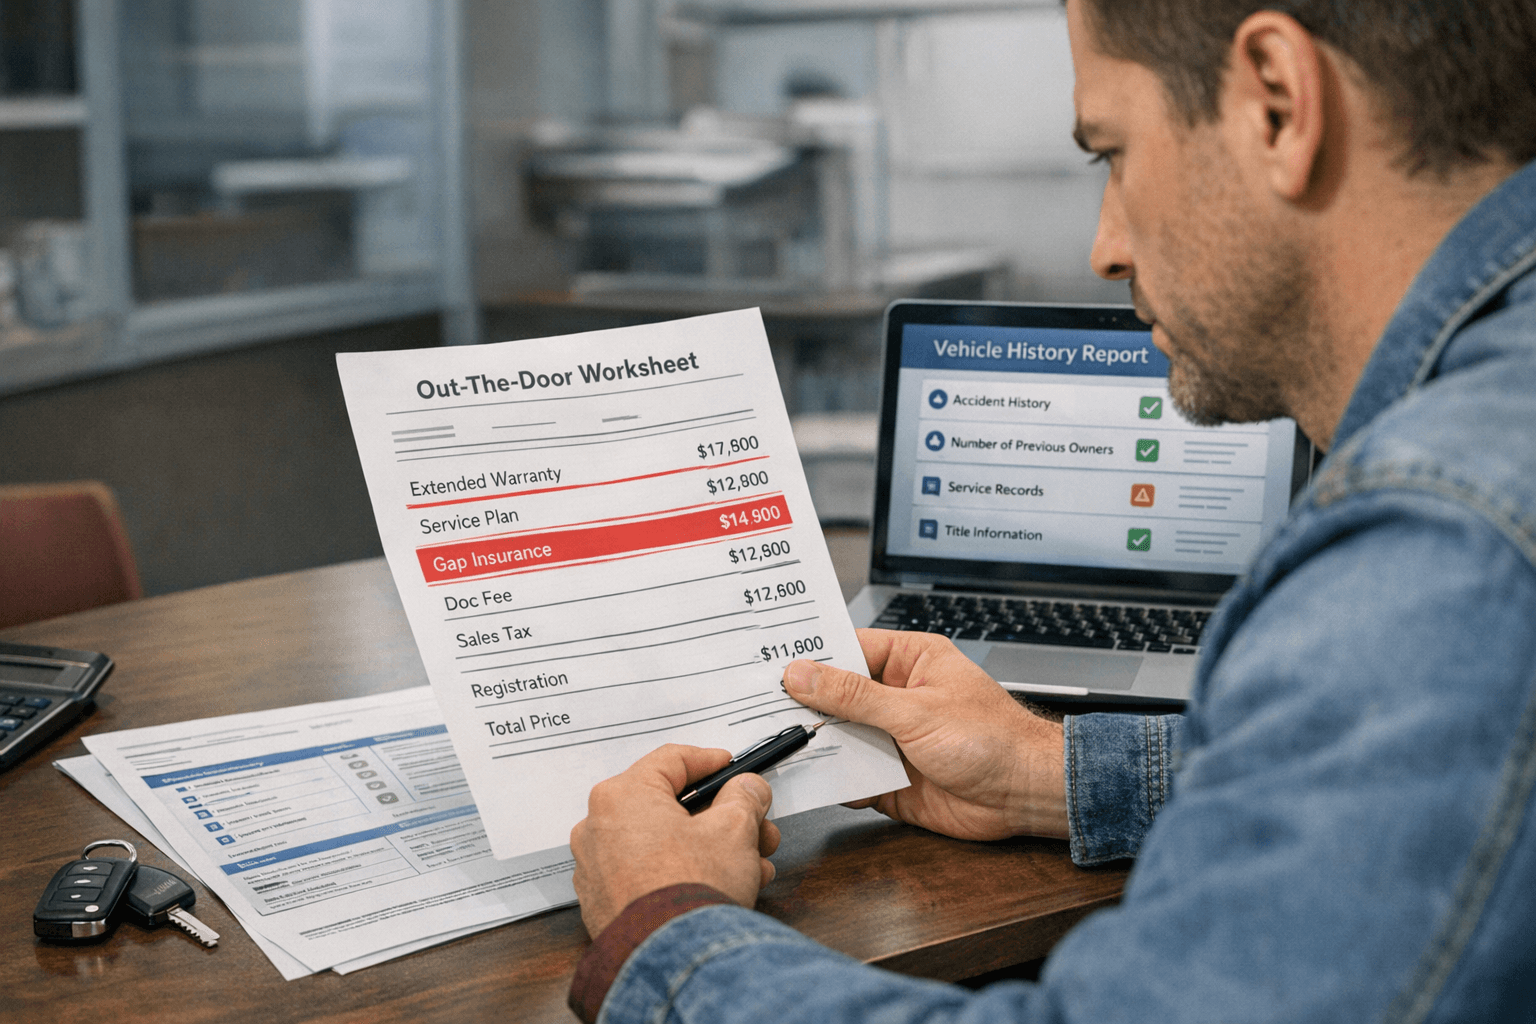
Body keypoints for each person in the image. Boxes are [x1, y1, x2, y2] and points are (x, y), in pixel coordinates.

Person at [566, 0, 1536, 1019]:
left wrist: (663, 930)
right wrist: (1049, 772)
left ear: (1279, 104)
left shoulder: (1447, 544)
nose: (1105, 247)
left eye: (1109, 154)